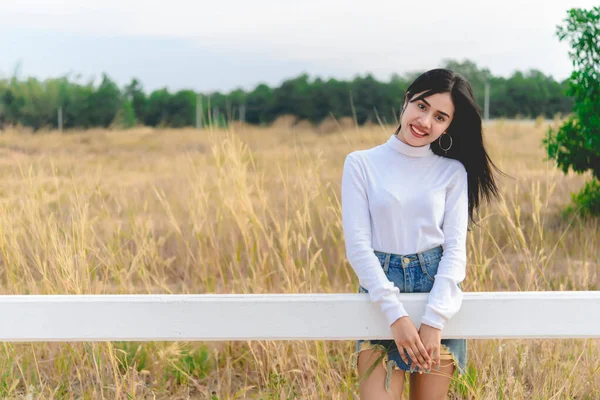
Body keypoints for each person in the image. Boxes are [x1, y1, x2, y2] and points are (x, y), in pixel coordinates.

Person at [341, 69, 502, 399]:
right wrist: (396, 316)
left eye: (440, 116)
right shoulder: (360, 164)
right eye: (422, 106)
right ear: (406, 101)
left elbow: (455, 251)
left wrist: (434, 320)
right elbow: (358, 247)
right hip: (379, 295)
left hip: (436, 292)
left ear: (448, 126)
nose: (425, 121)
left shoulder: (452, 171)